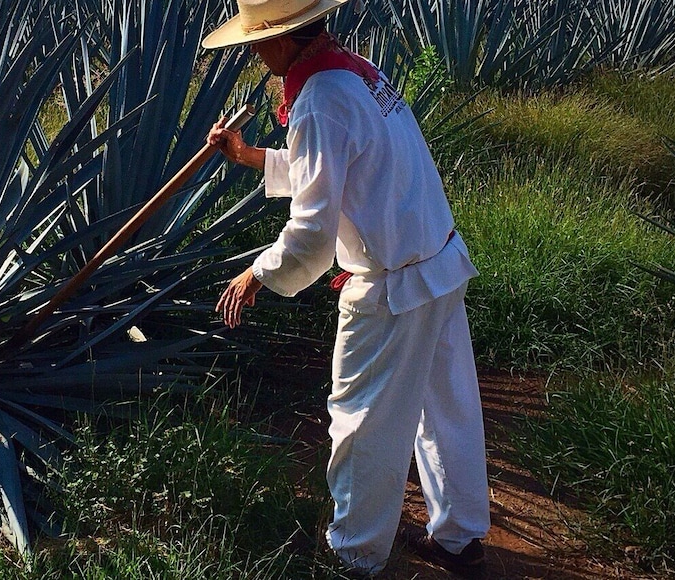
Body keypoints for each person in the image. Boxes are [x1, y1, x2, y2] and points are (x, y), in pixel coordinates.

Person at [203, 0, 491, 576]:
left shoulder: (318, 97)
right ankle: (459, 538)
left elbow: (312, 230)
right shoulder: (354, 70)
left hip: (391, 288)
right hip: (438, 259)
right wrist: (252, 156)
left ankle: (355, 558)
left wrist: (256, 273)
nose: (255, 55)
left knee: (362, 421)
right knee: (447, 406)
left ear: (281, 40)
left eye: (257, 42)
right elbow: (341, 162)